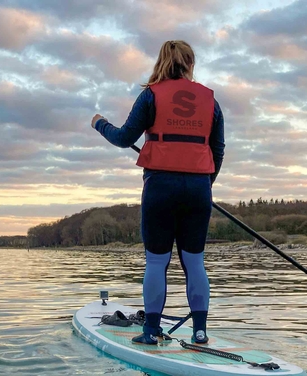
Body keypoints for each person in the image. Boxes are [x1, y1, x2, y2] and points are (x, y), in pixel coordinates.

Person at [91, 40, 225, 345]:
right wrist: (205, 183)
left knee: (155, 261)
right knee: (194, 262)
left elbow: (125, 138)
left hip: (160, 187)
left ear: (161, 62)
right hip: (197, 189)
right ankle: (200, 332)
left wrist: (100, 124)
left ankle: (150, 332)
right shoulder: (211, 101)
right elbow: (218, 149)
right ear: (190, 64)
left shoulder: (151, 95)